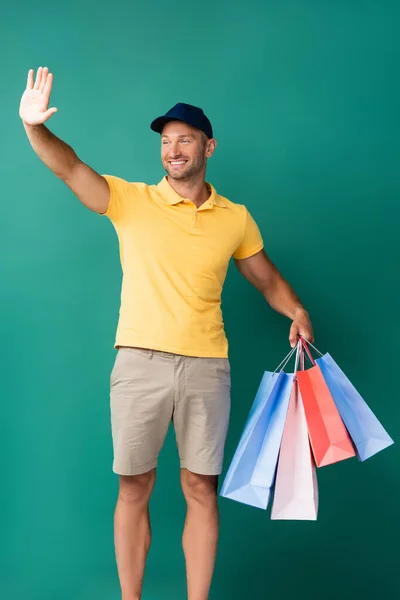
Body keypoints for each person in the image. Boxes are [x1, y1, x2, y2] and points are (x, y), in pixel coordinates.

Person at [20, 66, 314, 600]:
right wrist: (35, 128)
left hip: (208, 368)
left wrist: (296, 311)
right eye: (166, 141)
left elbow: (268, 281)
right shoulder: (131, 201)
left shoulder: (236, 218)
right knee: (134, 486)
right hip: (140, 365)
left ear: (209, 147)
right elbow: (70, 170)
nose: (173, 149)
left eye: (185, 140)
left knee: (201, 488)